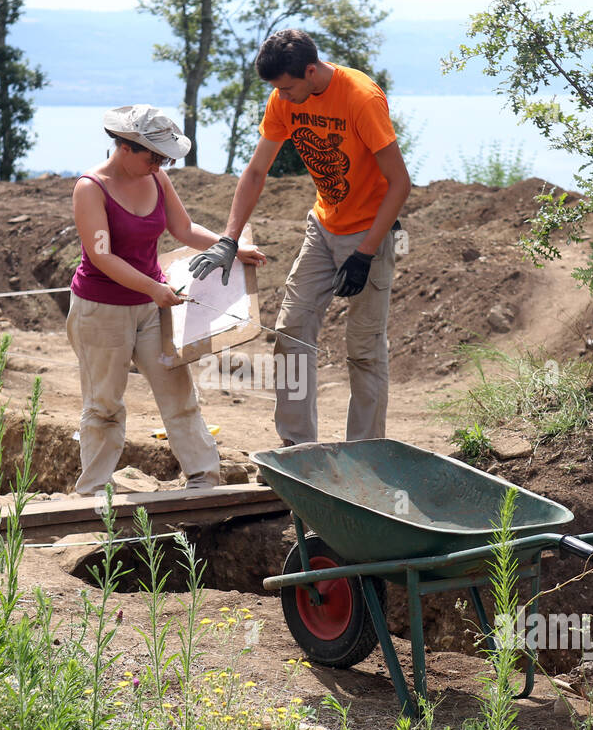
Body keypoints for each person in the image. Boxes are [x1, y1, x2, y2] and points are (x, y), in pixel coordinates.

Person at [190, 29, 411, 447]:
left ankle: (365, 454)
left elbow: (400, 183)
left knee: (363, 350)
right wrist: (228, 240)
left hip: (371, 233)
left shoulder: (361, 97)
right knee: (290, 333)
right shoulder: (283, 98)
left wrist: (365, 254)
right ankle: (298, 451)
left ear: (311, 71)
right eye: (277, 89)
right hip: (323, 226)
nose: (282, 97)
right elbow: (256, 172)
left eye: (288, 87)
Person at [68, 104, 266, 496]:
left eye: (165, 158)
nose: (160, 164)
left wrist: (230, 246)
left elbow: (184, 228)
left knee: (178, 392)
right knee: (104, 403)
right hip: (101, 311)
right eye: (153, 156)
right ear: (125, 147)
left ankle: (203, 478)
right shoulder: (91, 188)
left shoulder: (157, 179)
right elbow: (102, 256)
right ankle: (92, 491)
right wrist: (152, 288)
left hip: (153, 306)